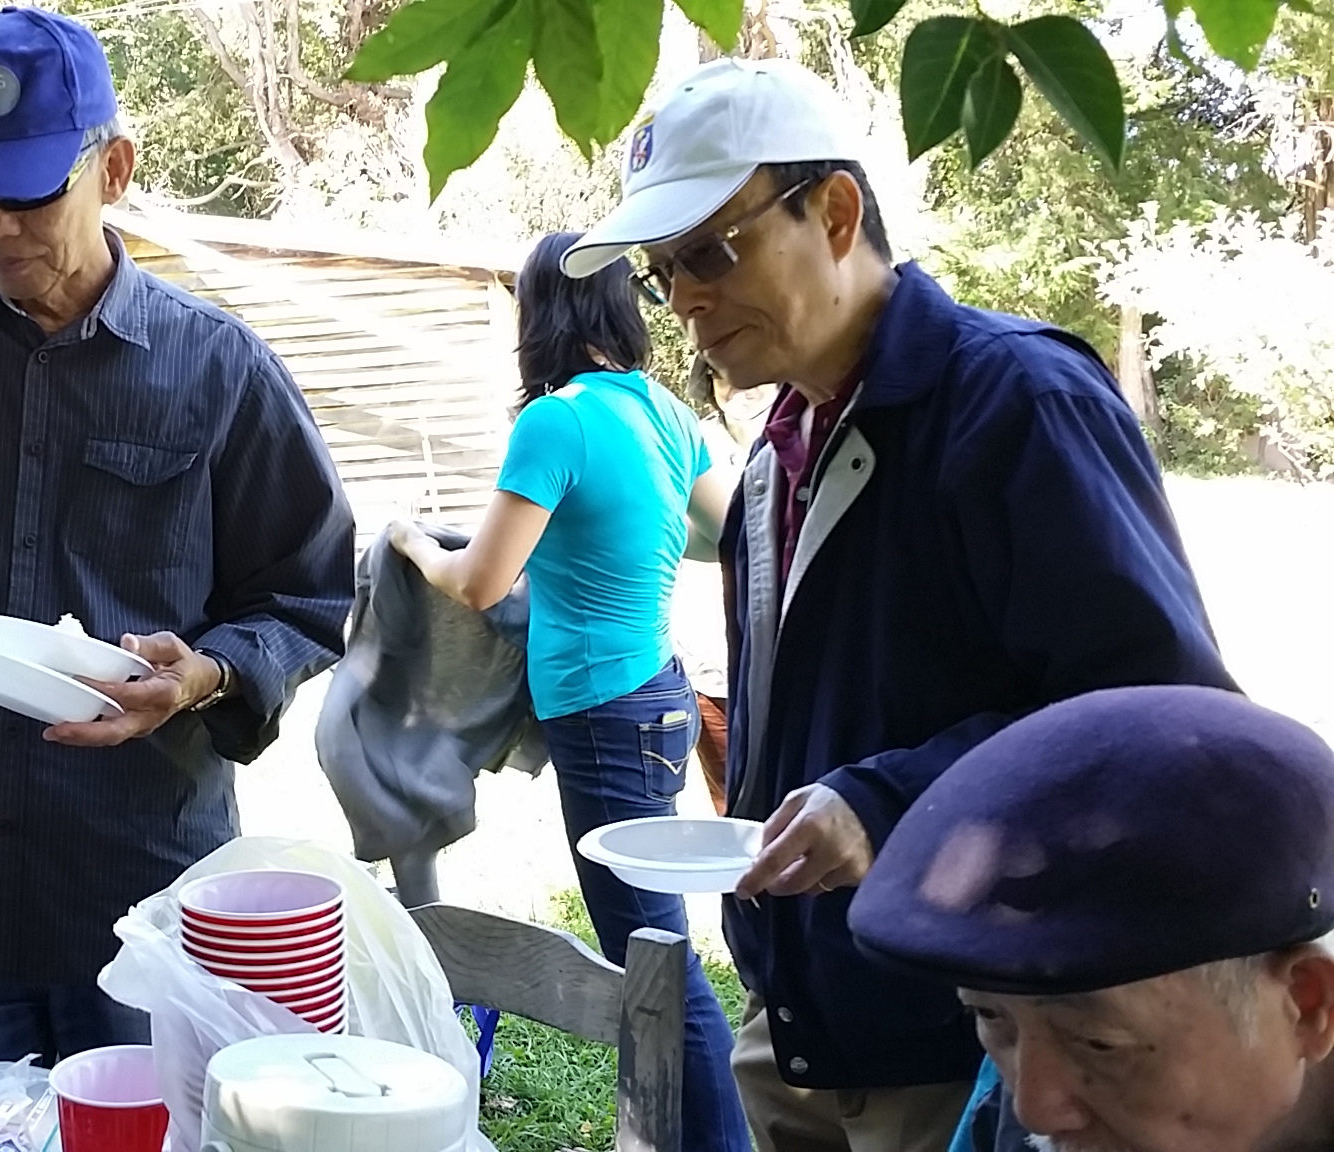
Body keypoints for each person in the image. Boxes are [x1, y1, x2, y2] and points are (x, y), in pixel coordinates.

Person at [561, 57, 1237, 1152]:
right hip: (795, 1017)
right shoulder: (773, 459)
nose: (681, 296)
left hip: (968, 1039)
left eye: (710, 251)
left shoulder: (1018, 403)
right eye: (662, 268)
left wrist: (886, 803)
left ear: (834, 212)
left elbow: (1161, 722)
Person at [0, 8, 354, 1074]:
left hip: (144, 894)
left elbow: (310, 596)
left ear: (114, 169)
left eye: (28, 193)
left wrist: (204, 675)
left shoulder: (219, 368)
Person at [389, 231, 747, 1152]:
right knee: (656, 950)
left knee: (654, 966)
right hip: (658, 699)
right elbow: (728, 532)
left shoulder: (555, 421)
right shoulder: (663, 410)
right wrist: (629, 526)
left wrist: (411, 544)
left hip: (600, 714)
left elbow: (481, 582)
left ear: (539, 312)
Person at [848, 685, 1334, 1152]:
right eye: (989, 1015)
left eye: (1099, 1043)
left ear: (1307, 1005)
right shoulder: (1017, 1085)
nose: (1031, 1109)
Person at [670, 352, 771, 814]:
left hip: (781, 661)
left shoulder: (806, 437)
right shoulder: (690, 443)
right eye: (720, 374)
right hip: (709, 662)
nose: (740, 386)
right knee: (734, 809)